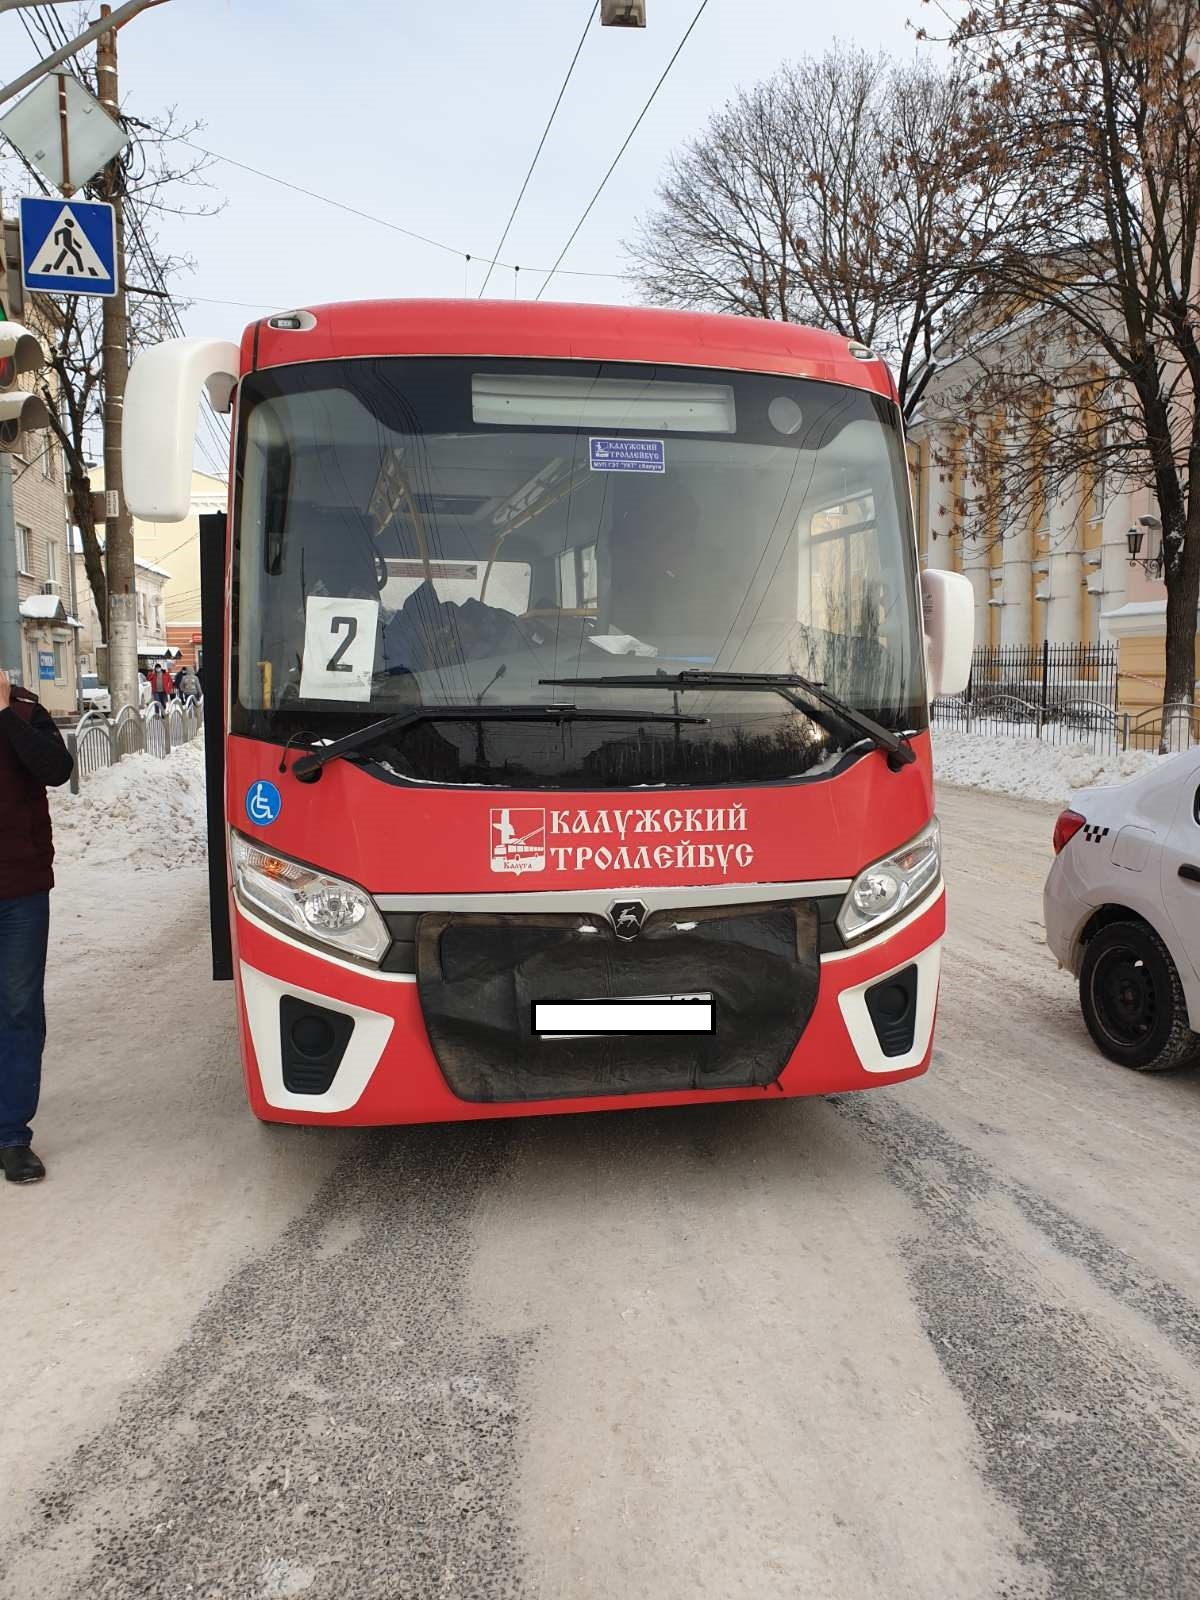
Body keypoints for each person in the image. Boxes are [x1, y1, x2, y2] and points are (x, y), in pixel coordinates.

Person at [0, 667, 74, 1184]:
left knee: (20, 1008)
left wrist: (6, 716)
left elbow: (56, 769)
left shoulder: (26, 709)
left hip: (19, 890)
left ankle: (11, 1135)